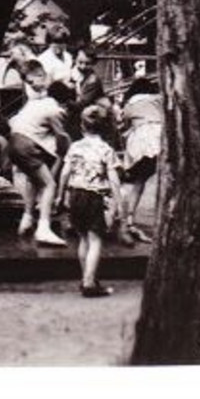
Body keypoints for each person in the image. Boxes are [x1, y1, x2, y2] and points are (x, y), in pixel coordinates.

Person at [62, 104, 122, 297]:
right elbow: (113, 178)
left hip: (76, 194)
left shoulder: (74, 147)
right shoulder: (106, 149)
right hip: (94, 196)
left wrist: (60, 194)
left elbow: (65, 172)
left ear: (81, 126)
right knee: (96, 239)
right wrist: (119, 203)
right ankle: (89, 283)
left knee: (83, 239)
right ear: (106, 128)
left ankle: (86, 277)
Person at [7, 61, 68, 247]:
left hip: (14, 143)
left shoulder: (34, 103)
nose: (32, 86)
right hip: (26, 144)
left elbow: (18, 122)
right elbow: (62, 137)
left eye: (32, 82)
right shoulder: (53, 107)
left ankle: (27, 218)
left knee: (35, 180)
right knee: (49, 184)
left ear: (42, 75)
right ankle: (44, 227)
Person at [118, 76, 163, 243]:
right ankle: (162, 217)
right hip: (159, 135)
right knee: (163, 178)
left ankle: (129, 217)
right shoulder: (158, 99)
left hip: (141, 138)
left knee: (139, 180)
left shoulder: (129, 104)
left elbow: (124, 122)